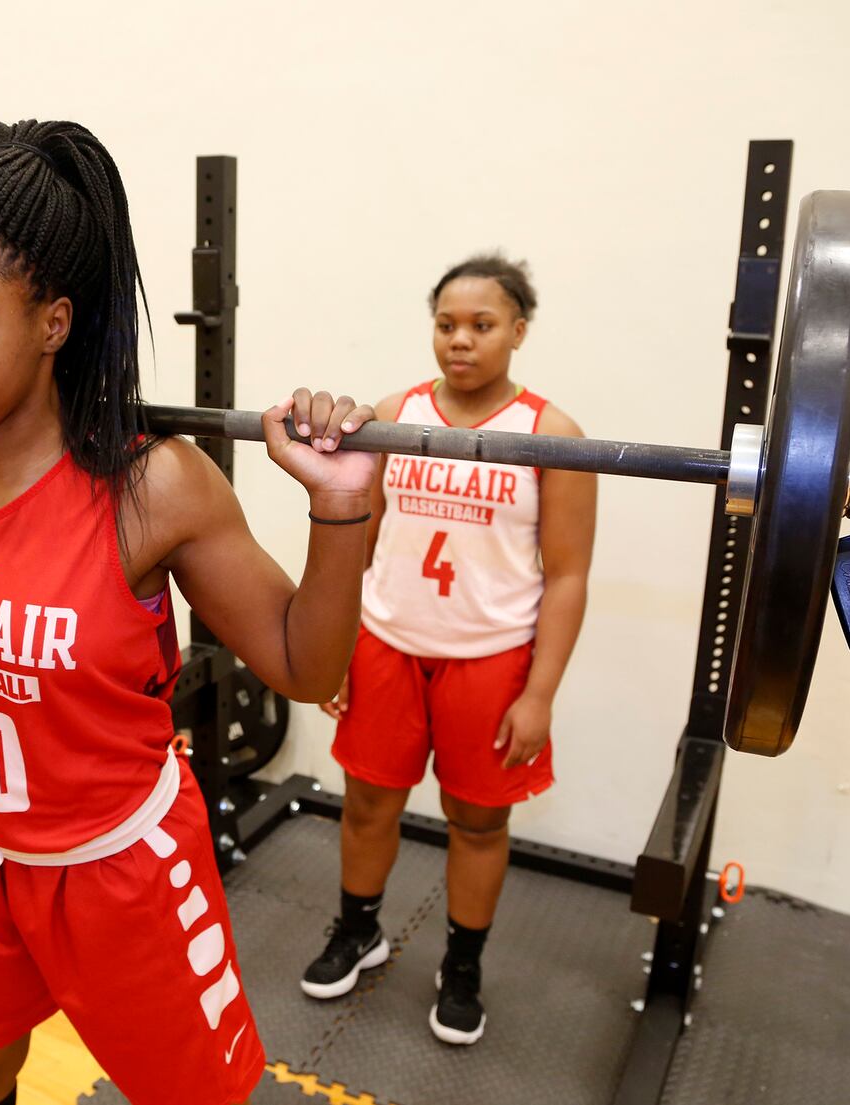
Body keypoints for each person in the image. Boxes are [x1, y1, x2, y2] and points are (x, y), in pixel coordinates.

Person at [0, 120, 379, 1105]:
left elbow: (304, 666)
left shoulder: (152, 488)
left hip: (118, 872)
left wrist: (339, 503)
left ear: (53, 322)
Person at [298, 256, 596, 1046]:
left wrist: (540, 693)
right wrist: (331, 650)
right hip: (386, 642)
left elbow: (567, 576)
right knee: (366, 802)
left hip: (491, 658)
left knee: (477, 821)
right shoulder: (395, 413)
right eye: (446, 325)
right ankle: (358, 929)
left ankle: (462, 964)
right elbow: (357, 534)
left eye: (482, 325)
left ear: (518, 332)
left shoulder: (551, 435)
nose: (460, 340)